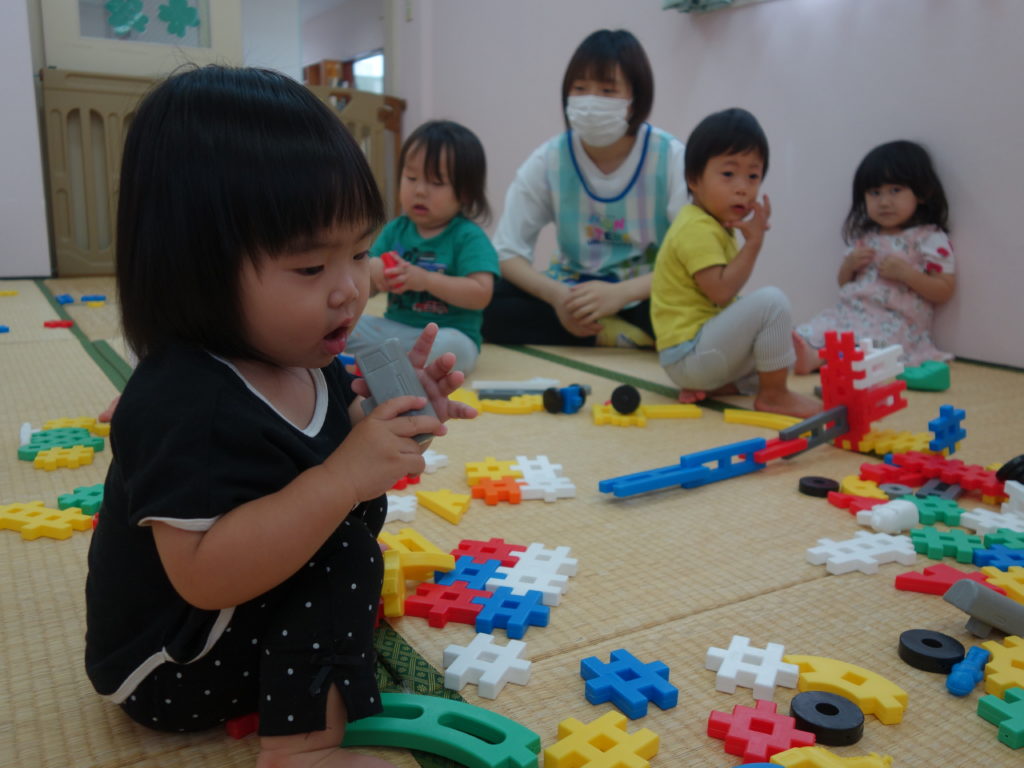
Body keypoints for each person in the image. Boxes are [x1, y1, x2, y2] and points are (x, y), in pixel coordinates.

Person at [84, 66, 475, 768]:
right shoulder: (182, 403)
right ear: (195, 269)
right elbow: (202, 575)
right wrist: (341, 480)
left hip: (233, 620)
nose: (350, 290)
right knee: (344, 544)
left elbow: (309, 443)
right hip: (171, 664)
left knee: (343, 528)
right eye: (309, 269)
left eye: (357, 254)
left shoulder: (294, 351)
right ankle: (302, 751)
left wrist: (394, 412)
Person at [481, 28, 686, 348]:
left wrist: (621, 294)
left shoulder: (670, 157)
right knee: (485, 301)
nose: (591, 102)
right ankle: (614, 334)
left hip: (645, 291)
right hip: (572, 292)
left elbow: (690, 258)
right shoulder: (549, 159)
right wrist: (558, 297)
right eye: (580, 88)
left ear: (635, 100)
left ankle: (604, 331)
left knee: (699, 309)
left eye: (607, 90)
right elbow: (506, 253)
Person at [650, 108, 819, 418]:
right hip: (689, 356)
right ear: (693, 179)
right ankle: (775, 396)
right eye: (728, 174)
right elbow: (721, 292)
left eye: (753, 176)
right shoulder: (695, 227)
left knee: (776, 349)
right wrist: (754, 243)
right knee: (772, 303)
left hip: (696, 357)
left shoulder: (713, 223)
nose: (742, 187)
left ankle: (725, 386)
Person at [346, 120, 499, 374]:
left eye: (436, 183)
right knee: (346, 325)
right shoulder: (396, 229)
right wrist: (375, 271)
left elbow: (481, 294)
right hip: (397, 331)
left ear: (466, 193)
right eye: (411, 177)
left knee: (452, 349)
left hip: (446, 334)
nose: (419, 191)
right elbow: (364, 285)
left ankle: (387, 366)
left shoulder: (467, 236)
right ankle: (394, 365)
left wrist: (425, 280)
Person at [793, 140, 955, 372]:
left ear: (921, 193)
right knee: (811, 330)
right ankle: (810, 352)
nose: (884, 202)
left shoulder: (928, 238)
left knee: (871, 347)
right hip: (850, 314)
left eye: (895, 190)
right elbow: (844, 283)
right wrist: (849, 265)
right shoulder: (866, 237)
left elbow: (944, 290)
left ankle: (820, 358)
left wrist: (907, 275)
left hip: (897, 324)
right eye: (874, 193)